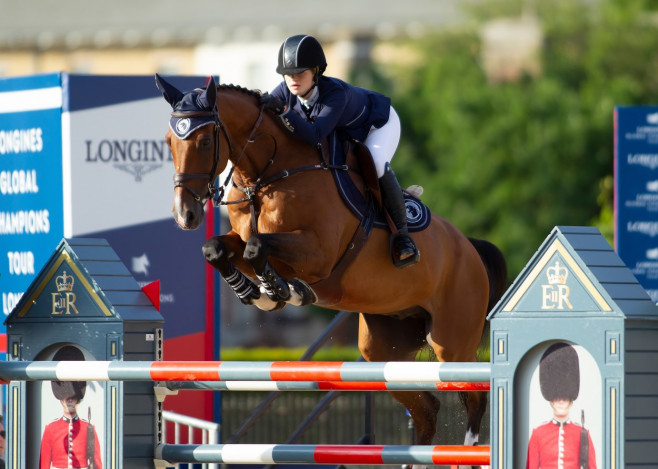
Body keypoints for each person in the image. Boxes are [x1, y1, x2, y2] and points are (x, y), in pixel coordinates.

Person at [261, 34, 420, 268]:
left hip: (377, 124)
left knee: (375, 162)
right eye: (288, 74)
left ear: (315, 71)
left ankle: (403, 235)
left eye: (300, 73)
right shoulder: (285, 91)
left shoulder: (335, 94)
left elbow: (314, 135)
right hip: (345, 131)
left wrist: (284, 113)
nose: (293, 79)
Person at [526, 342, 597, 469]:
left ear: (571, 401)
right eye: (557, 398)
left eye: (565, 398)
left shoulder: (581, 433)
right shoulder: (538, 434)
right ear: (551, 400)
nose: (561, 401)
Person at [39, 346, 102, 469]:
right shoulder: (51, 429)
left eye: (73, 398)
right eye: (66, 397)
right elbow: (43, 465)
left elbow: (97, 463)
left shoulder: (88, 428)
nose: (70, 400)